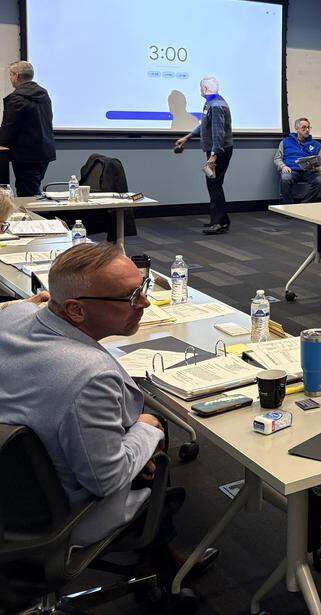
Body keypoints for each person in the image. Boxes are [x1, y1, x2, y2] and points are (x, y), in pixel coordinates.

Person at [0, 245, 162, 546]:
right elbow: (106, 480)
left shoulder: (12, 316)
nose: (145, 302)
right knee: (156, 428)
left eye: (142, 287)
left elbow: (26, 309)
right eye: (130, 297)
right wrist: (146, 429)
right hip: (59, 516)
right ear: (75, 310)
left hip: (13, 484)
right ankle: (158, 556)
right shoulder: (93, 377)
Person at [174, 76, 232, 235]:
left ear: (206, 89)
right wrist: (188, 137)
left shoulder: (216, 106)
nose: (200, 90)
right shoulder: (211, 102)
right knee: (214, 185)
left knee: (214, 185)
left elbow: (218, 133)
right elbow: (205, 125)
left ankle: (219, 223)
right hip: (216, 149)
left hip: (219, 150)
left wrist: (213, 156)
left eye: (201, 88)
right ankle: (220, 220)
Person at [0, 60, 56, 196]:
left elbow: (8, 129)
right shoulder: (43, 94)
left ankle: (32, 217)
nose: (10, 78)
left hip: (26, 155)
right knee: (32, 189)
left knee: (27, 194)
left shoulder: (17, 99)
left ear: (17, 76)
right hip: (43, 152)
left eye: (11, 75)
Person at [273, 117, 321, 204]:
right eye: (304, 127)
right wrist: (283, 166)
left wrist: (316, 168)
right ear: (297, 129)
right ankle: (289, 207)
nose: (307, 130)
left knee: (319, 181)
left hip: (309, 172)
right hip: (291, 170)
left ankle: (304, 205)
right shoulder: (286, 142)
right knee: (285, 179)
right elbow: (277, 158)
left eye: (308, 127)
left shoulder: (316, 145)